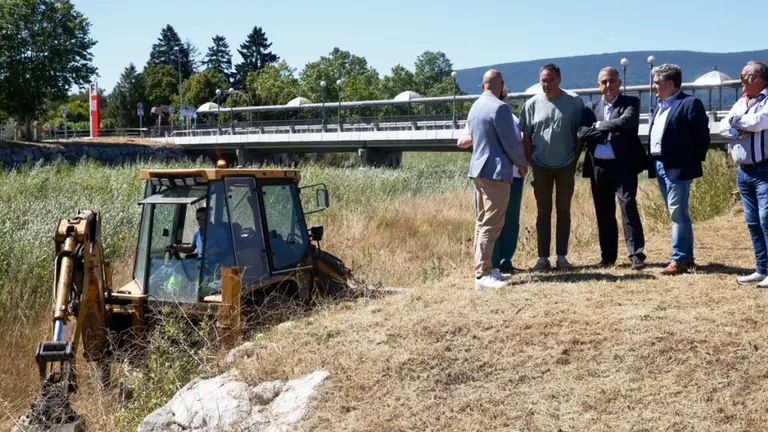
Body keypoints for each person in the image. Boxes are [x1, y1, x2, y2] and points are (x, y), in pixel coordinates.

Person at [578, 66, 648, 270]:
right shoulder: (590, 108)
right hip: (598, 167)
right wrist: (610, 133)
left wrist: (598, 127)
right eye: (604, 82)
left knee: (628, 207)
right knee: (603, 211)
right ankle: (608, 257)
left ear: (619, 82)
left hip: (623, 166)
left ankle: (636, 254)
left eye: (612, 81)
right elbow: (582, 132)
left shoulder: (631, 102)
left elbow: (627, 122)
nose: (609, 85)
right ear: (598, 85)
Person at [465, 69, 528, 290]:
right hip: (496, 172)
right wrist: (521, 163)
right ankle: (482, 275)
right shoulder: (500, 108)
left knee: (482, 221)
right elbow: (511, 142)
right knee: (492, 223)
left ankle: (487, 269)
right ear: (501, 85)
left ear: (483, 85)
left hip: (479, 170)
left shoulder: (475, 107)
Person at [519, 63, 586, 271]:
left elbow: (580, 133)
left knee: (564, 209)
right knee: (543, 211)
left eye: (550, 80)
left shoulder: (574, 102)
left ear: (559, 80)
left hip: (566, 164)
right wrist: (529, 158)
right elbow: (526, 135)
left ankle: (562, 257)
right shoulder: (531, 104)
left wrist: (575, 158)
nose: (546, 84)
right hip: (541, 165)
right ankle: (542, 258)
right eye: (543, 81)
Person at [647, 63, 710, 275]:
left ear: (670, 83)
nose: (653, 86)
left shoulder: (690, 104)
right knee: (678, 213)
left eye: (657, 82)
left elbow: (702, 136)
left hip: (678, 167)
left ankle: (678, 259)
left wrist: (691, 161)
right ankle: (687, 257)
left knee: (677, 214)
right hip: (660, 164)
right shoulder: (660, 105)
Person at [719, 60, 768, 287]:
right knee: (752, 221)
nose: (739, 81)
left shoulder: (766, 100)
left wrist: (737, 122)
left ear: (756, 78)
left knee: (766, 219)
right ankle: (761, 269)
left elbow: (760, 121)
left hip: (764, 169)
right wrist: (738, 123)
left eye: (742, 77)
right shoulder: (741, 101)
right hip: (744, 171)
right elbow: (722, 126)